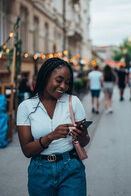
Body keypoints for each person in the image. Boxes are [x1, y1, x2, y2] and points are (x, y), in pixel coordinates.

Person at [17, 58, 90, 196]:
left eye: (67, 83)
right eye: (59, 80)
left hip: (71, 168)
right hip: (40, 170)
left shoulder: (73, 102)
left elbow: (85, 141)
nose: (63, 86)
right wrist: (51, 137)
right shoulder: (26, 107)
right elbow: (27, 150)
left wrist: (81, 136)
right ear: (45, 77)